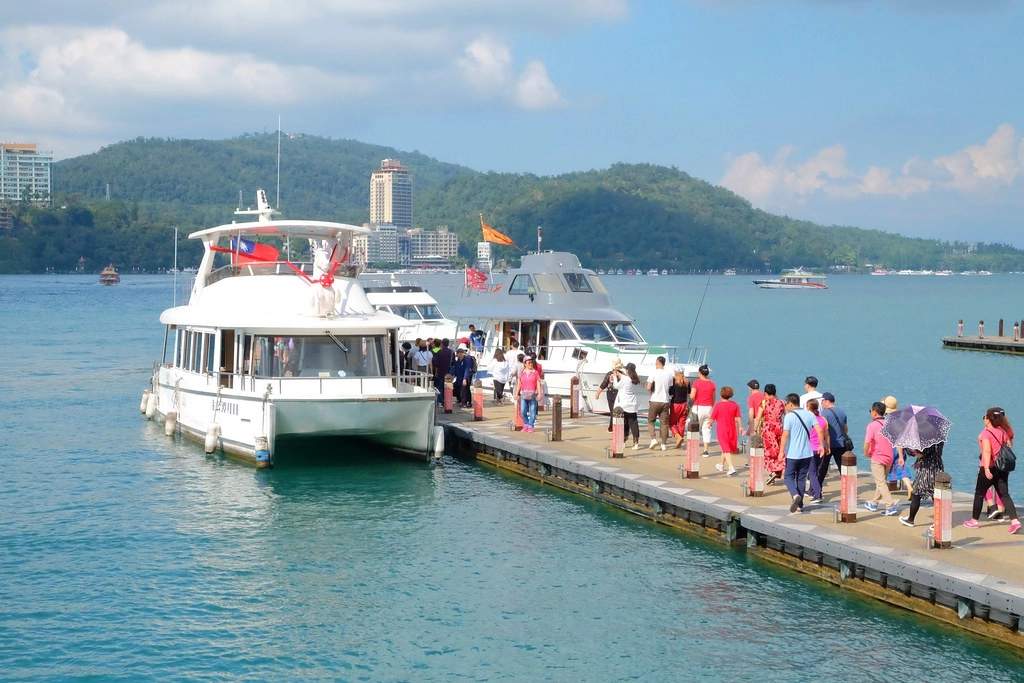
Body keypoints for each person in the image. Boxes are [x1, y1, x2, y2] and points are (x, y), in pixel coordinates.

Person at [964, 407, 1021, 534]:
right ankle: (1015, 521)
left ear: (989, 419)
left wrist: (986, 469)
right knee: (1004, 494)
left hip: (989, 466)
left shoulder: (986, 434)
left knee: (979, 493)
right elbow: (1009, 446)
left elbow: (987, 451)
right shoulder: (1002, 431)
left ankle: (974, 521)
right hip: (1001, 468)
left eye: (985, 417)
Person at [777, 393, 818, 513]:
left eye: (786, 404)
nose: (785, 406)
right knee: (801, 478)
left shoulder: (789, 417)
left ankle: (795, 496)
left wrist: (781, 451)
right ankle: (800, 506)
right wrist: (821, 444)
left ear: (790, 403)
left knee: (788, 477)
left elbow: (785, 435)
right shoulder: (809, 414)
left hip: (793, 454)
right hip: (807, 454)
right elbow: (819, 429)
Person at [863, 401, 899, 516]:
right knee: (881, 481)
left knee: (881, 482)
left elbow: (867, 442)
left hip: (877, 457)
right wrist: (901, 456)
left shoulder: (872, 426)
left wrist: (866, 453)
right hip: (889, 457)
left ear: (874, 412)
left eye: (870, 411)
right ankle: (874, 503)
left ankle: (890, 505)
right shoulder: (890, 425)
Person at [899, 442, 945, 527]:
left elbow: (920, 455)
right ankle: (938, 522)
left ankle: (910, 519)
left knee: (916, 494)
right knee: (936, 495)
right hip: (937, 467)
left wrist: (912, 450)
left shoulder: (924, 440)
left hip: (926, 470)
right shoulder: (939, 439)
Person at [755, 384, 786, 484]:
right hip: (779, 428)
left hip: (768, 429)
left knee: (769, 452)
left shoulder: (764, 403)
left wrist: (755, 429)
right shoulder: (781, 402)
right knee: (778, 450)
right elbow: (787, 415)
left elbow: (758, 417)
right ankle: (775, 472)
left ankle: (772, 472)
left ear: (765, 393)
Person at [883, 396, 914, 497]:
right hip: (901, 447)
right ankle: (901, 486)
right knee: (900, 467)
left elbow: (895, 439)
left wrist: (900, 454)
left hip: (892, 447)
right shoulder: (900, 419)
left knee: (891, 467)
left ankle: (908, 487)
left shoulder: (887, 420)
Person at [708, 386, 742, 475]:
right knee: (726, 447)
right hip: (732, 429)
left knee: (726, 449)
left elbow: (713, 417)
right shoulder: (734, 405)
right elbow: (738, 417)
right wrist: (741, 427)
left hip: (722, 429)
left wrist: (709, 424)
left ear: (721, 395)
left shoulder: (718, 405)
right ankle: (721, 465)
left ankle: (731, 467)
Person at [818, 392, 849, 487]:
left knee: (822, 467)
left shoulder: (824, 413)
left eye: (822, 401)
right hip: (840, 444)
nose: (821, 403)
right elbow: (845, 429)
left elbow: (822, 429)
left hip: (828, 445)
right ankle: (847, 488)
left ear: (827, 401)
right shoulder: (842, 412)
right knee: (842, 468)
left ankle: (817, 489)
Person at [646, 356, 673, 450]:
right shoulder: (669, 375)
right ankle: (664, 444)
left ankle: (653, 438)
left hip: (655, 399)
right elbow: (670, 387)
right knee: (664, 423)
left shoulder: (653, 373)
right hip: (665, 401)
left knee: (650, 420)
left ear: (658, 363)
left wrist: (651, 393)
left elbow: (649, 387)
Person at [805, 398, 829, 503]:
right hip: (821, 448)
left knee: (812, 473)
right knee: (816, 471)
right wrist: (828, 446)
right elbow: (827, 435)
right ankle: (811, 491)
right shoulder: (823, 419)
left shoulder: (807, 419)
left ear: (808, 407)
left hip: (810, 449)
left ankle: (818, 494)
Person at [613, 362, 641, 449]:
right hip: (632, 404)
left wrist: (614, 376)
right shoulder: (635, 380)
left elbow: (616, 385)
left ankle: (623, 441)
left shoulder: (626, 379)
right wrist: (619, 374)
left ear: (628, 370)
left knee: (624, 424)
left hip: (624, 404)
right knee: (633, 423)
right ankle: (635, 443)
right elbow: (624, 377)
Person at [689, 364, 716, 455]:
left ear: (700, 373)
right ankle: (705, 450)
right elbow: (713, 399)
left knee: (694, 427)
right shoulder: (712, 384)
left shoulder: (697, 382)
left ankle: (693, 447)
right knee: (707, 429)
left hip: (698, 407)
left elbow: (692, 396)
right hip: (709, 408)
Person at [514, 357, 543, 433]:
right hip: (524, 394)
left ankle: (530, 425)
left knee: (532, 411)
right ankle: (526, 424)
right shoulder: (522, 373)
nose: (530, 364)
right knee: (523, 411)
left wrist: (539, 394)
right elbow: (519, 384)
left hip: (533, 394)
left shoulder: (535, 373)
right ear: (525, 364)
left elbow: (538, 384)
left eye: (531, 362)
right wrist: (516, 393)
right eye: (528, 363)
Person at [594, 358, 623, 432]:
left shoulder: (609, 374)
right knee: (618, 411)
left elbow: (604, 384)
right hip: (619, 394)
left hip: (610, 394)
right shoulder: (622, 374)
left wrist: (598, 393)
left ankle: (611, 428)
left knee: (612, 411)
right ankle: (615, 427)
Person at [669, 366, 691, 448]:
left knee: (671, 423)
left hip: (675, 404)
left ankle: (677, 436)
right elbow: (689, 393)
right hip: (684, 404)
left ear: (676, 373)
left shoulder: (674, 381)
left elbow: (670, 392)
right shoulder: (687, 381)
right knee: (682, 423)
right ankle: (680, 440)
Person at [431, 338, 454, 404]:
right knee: (448, 387)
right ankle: (447, 401)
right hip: (449, 372)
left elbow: (437, 364)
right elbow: (453, 363)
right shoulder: (452, 352)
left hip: (440, 372)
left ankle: (440, 401)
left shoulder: (439, 352)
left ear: (442, 344)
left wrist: (436, 372)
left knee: (440, 387)